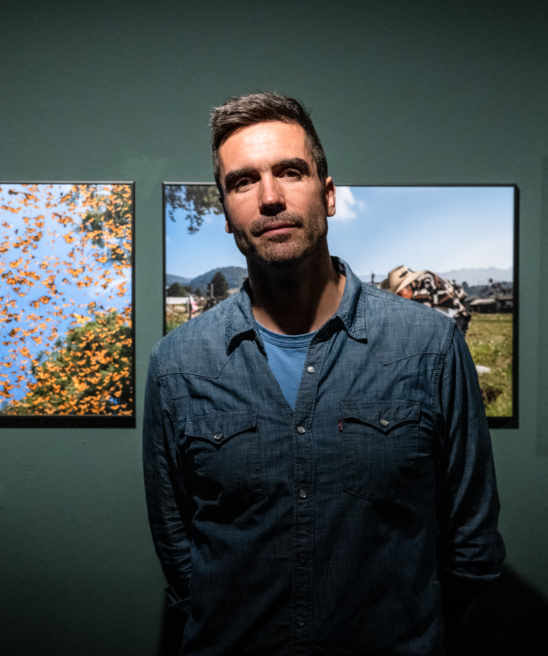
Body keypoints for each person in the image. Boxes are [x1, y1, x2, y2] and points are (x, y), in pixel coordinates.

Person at [143, 92, 504, 656]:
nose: (269, 198)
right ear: (225, 211)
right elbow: (180, 552)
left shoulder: (429, 347)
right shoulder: (178, 365)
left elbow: (470, 548)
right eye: (243, 182)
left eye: (290, 172)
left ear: (328, 195)